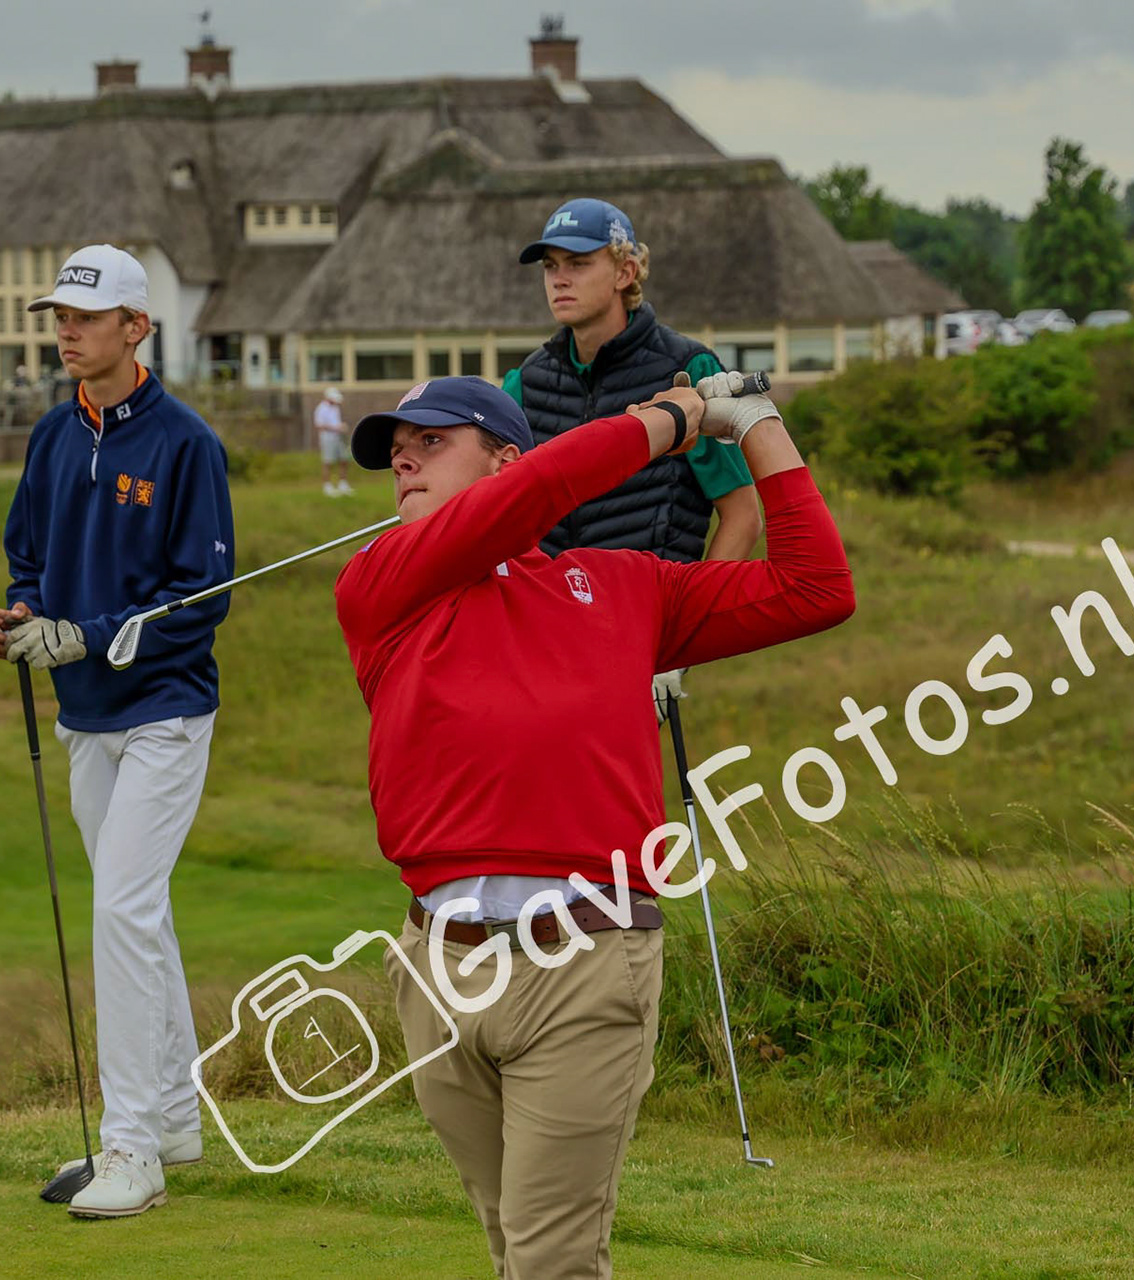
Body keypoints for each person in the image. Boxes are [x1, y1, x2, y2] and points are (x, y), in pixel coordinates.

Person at [334, 375, 853, 1277]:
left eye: (430, 440)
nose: (402, 459)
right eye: (394, 450)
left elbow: (816, 587)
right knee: (514, 1245)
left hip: (583, 965)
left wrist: (753, 422)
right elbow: (541, 493)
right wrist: (671, 419)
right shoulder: (384, 584)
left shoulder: (621, 588)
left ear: (504, 458)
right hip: (439, 969)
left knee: (550, 1259)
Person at [0, 244, 235, 1220]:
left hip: (167, 709)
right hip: (84, 713)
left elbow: (202, 598)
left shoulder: (184, 443)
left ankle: (131, 1147)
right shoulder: (52, 436)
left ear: (138, 327)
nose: (66, 331)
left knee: (123, 908)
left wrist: (83, 633)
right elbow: (29, 555)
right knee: (142, 909)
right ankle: (172, 1113)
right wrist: (21, 616)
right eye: (58, 316)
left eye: (85, 317)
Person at [506, 197, 764, 720]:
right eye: (551, 267)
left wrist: (684, 645)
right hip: (548, 638)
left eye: (578, 264)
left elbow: (743, 516)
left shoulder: (687, 369)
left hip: (643, 637)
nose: (559, 279)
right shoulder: (523, 382)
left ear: (626, 270)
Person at [314, 386, 353, 496]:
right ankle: (327, 486)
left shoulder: (335, 408)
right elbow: (319, 425)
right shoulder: (321, 408)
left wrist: (340, 427)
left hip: (338, 437)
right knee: (328, 461)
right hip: (327, 438)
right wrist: (336, 427)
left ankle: (343, 484)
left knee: (344, 459)